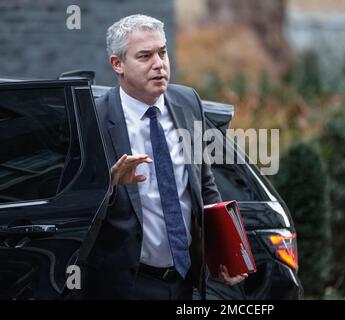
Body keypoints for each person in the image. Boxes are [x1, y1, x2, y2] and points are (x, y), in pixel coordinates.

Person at [84, 14, 247, 299]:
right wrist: (109, 186)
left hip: (186, 281)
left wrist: (223, 253)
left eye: (162, 52)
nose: (159, 64)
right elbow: (74, 207)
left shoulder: (188, 102)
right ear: (117, 64)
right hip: (127, 284)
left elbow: (205, 184)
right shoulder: (94, 118)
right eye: (145, 56)